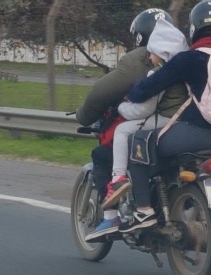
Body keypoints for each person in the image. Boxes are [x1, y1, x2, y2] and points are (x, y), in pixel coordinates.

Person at [118, 0, 211, 233]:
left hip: (197, 135)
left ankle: (143, 211)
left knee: (139, 142)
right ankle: (190, 207)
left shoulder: (190, 58)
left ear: (194, 28)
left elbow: (153, 84)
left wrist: (130, 96)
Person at [85, 18, 189, 242]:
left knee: (123, 131)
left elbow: (145, 110)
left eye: (151, 53)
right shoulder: (183, 71)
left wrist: (122, 107)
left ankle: (118, 178)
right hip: (182, 122)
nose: (148, 57)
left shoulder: (159, 74)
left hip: (164, 120)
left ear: (160, 52)